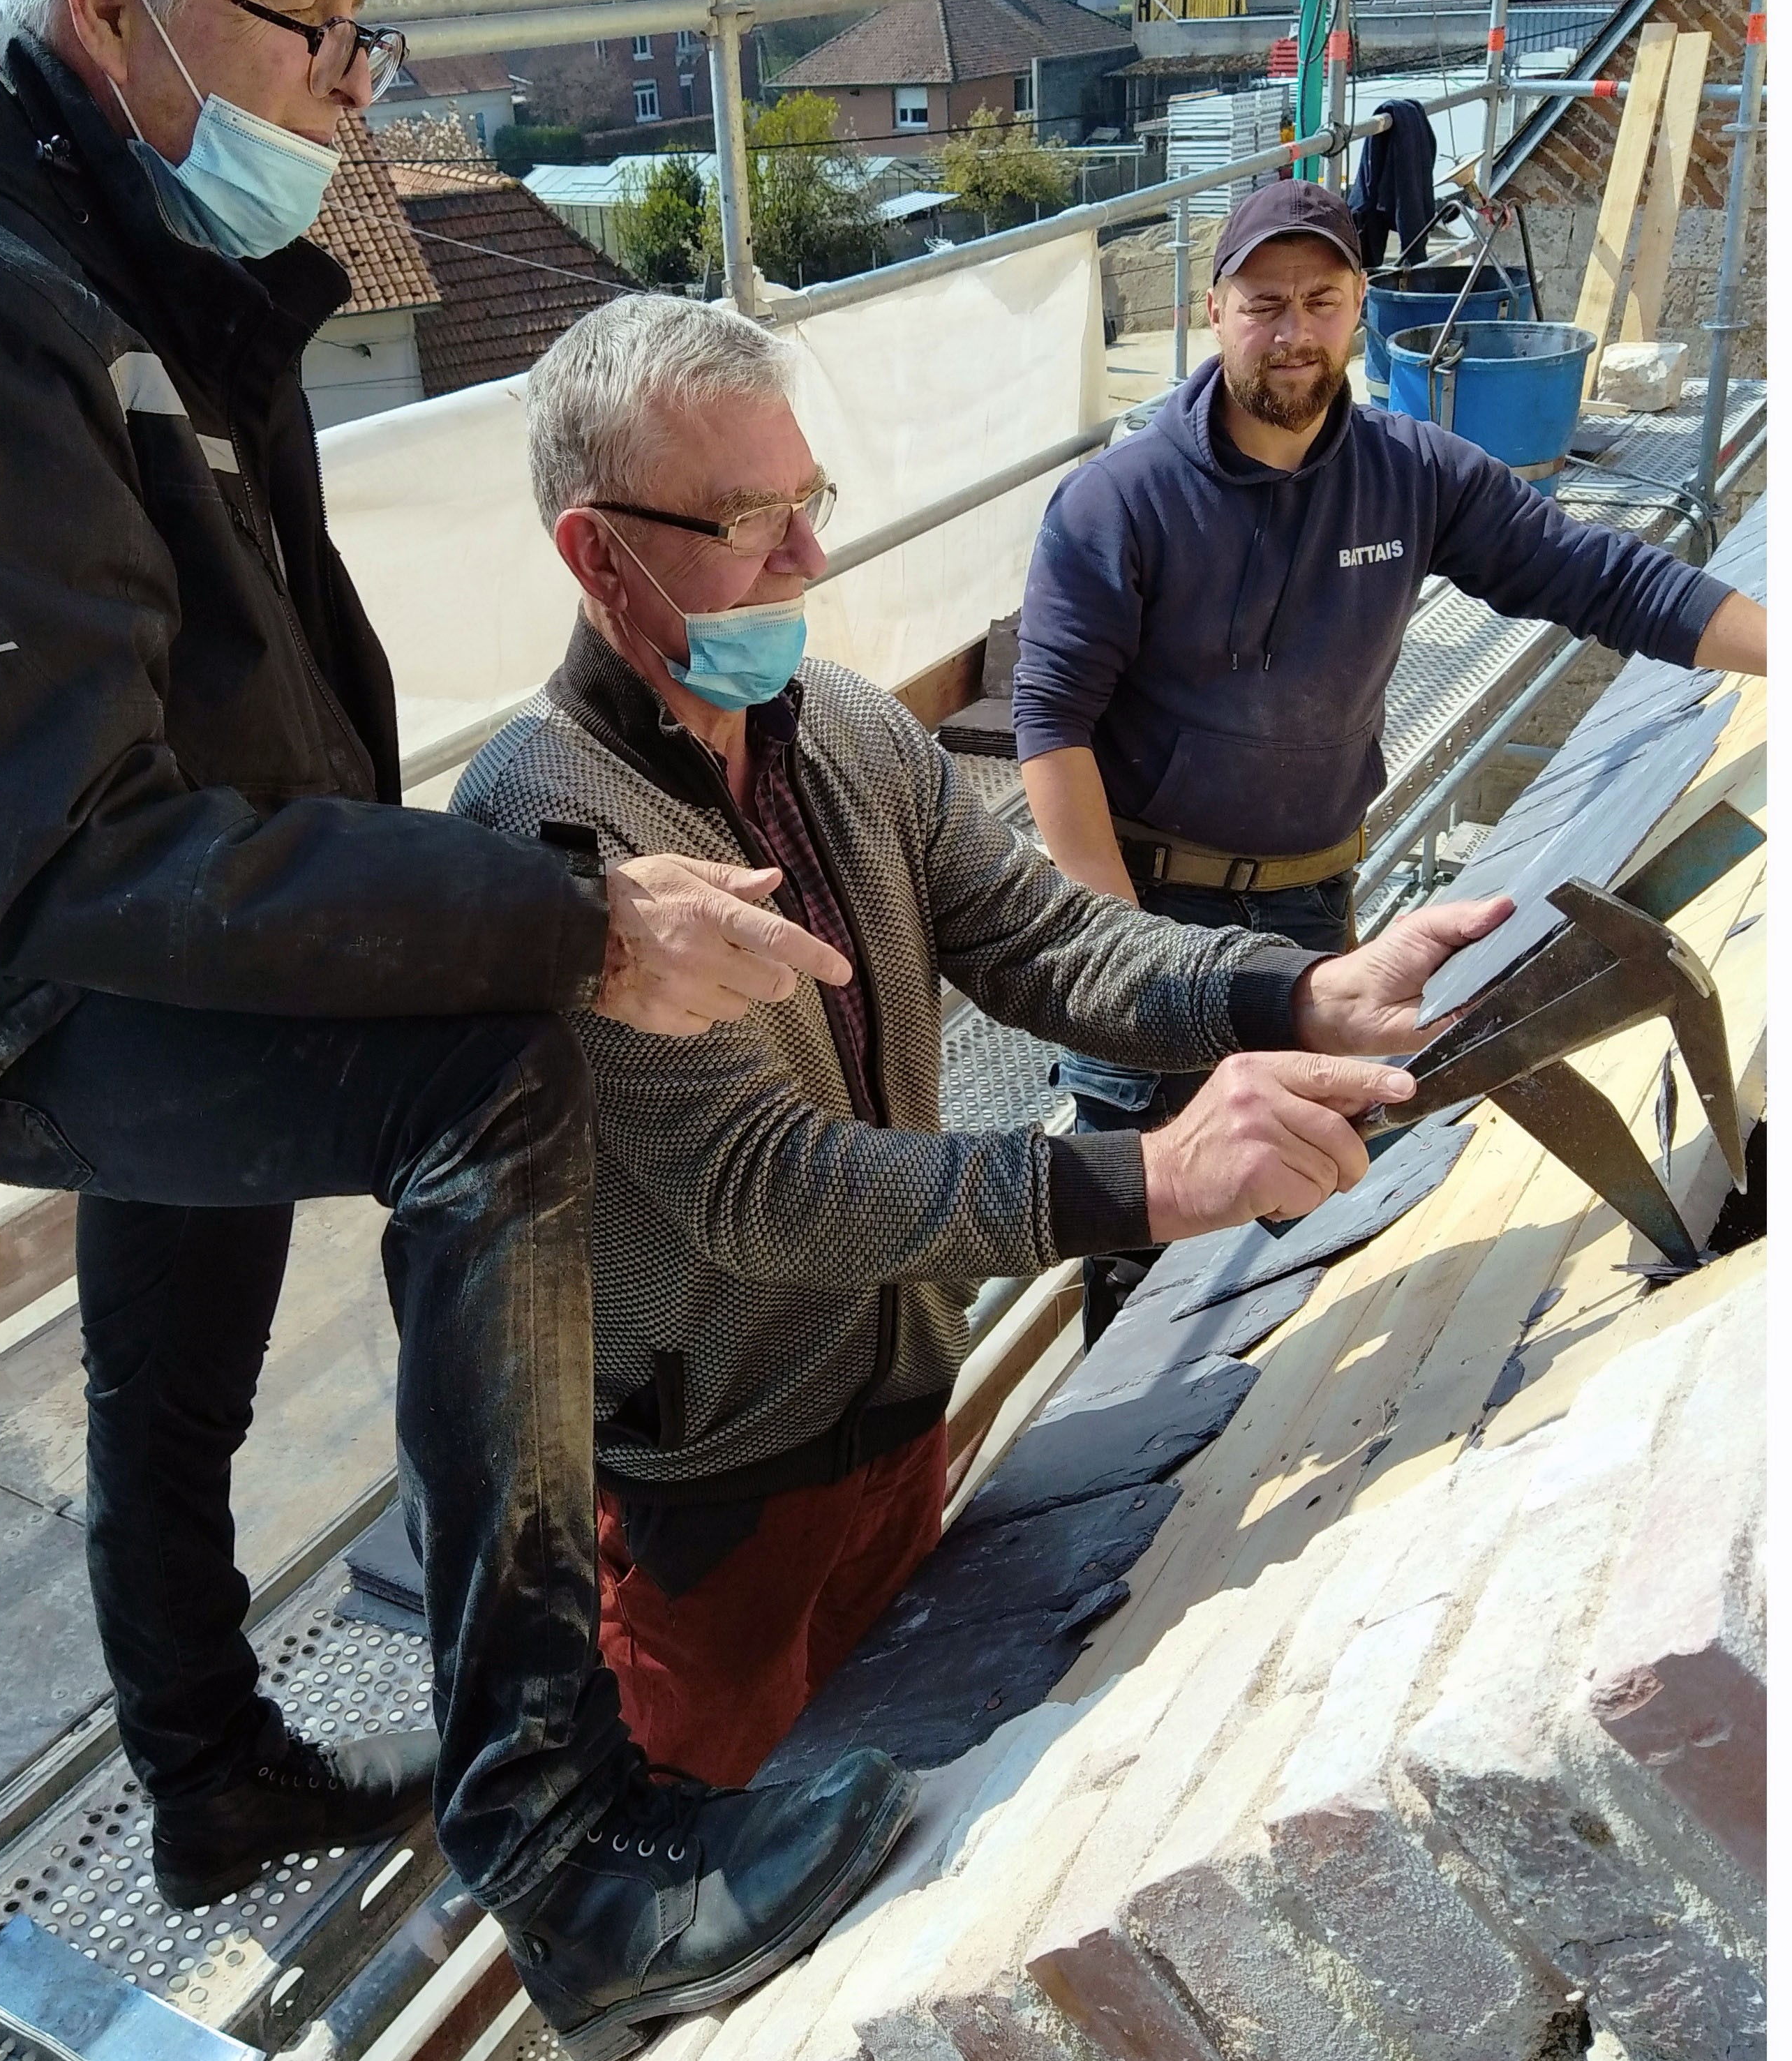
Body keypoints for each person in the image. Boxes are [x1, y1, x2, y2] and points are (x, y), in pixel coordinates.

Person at [0, 0, 920, 2061]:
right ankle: (566, 1846)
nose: (355, 89)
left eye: (357, 30)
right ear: (112, 4)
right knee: (480, 1071)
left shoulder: (118, 204)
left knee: (191, 1248)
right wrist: (566, 927)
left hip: (90, 873)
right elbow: (73, 852)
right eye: (311, 28)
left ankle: (203, 1772)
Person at [454, 292, 1513, 1790]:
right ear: (592, 551)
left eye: (807, 501)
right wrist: (1139, 1179)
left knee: (885, 1784)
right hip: (706, 1481)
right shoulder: (544, 829)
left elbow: (1040, 935)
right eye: (746, 519)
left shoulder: (843, 730)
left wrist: (1295, 993)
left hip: (897, 1406)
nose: (808, 558)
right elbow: (771, 1188)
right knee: (722, 1852)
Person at [1017, 178, 1767, 1347]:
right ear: (1214, 309)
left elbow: (1603, 579)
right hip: (1152, 901)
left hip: (1311, 909)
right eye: (1264, 302)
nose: (1292, 331)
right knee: (1141, 1222)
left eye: (1320, 300)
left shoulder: (1411, 474)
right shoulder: (1119, 503)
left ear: (1359, 307)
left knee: (1295, 1201)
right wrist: (1125, 953)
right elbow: (1050, 733)